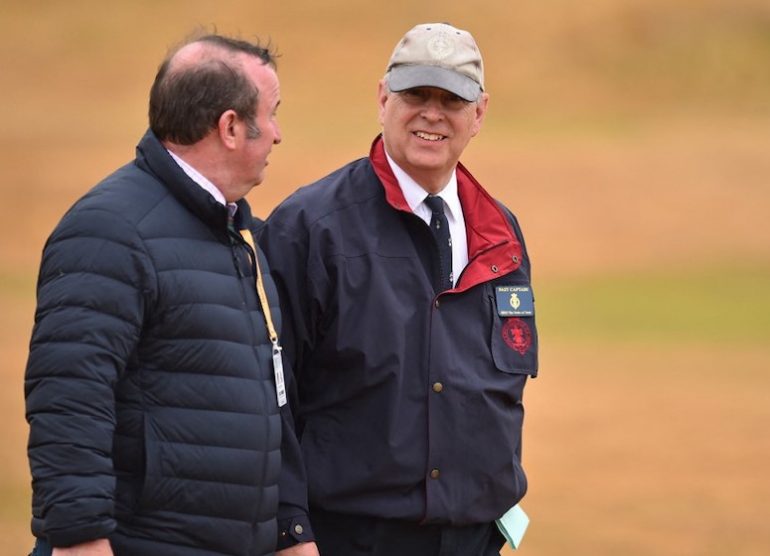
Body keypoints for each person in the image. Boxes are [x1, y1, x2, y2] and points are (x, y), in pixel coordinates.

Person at [25, 33, 317, 556]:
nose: (277, 135)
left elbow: (269, 401)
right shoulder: (110, 229)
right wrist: (80, 540)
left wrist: (290, 532)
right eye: (271, 114)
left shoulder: (240, 234)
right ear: (229, 127)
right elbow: (69, 399)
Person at [259, 22, 539, 556]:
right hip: (347, 537)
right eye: (415, 94)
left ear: (478, 114)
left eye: (451, 99)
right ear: (383, 98)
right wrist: (288, 529)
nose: (432, 114)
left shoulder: (500, 231)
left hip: (474, 540)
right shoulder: (309, 227)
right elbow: (269, 397)